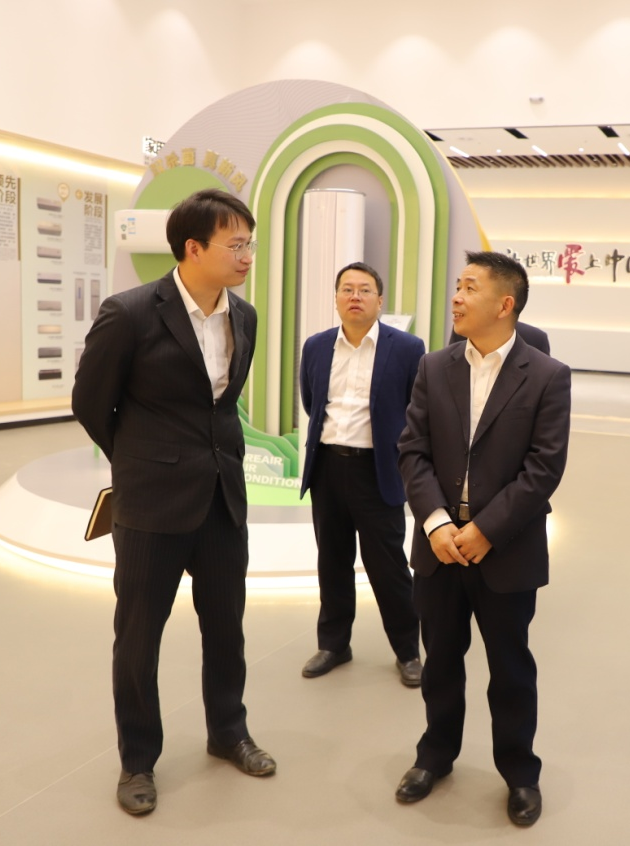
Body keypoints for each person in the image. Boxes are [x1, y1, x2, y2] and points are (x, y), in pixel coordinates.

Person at [72, 188, 274, 816]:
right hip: (152, 505)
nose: (247, 255)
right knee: (139, 637)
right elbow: (90, 403)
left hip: (222, 498)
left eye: (249, 243)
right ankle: (138, 759)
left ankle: (229, 732)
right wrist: (141, 462)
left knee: (227, 627)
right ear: (193, 248)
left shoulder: (244, 316)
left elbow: (222, 405)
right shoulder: (130, 312)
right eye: (235, 244)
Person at [393, 250, 571, 827]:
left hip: (506, 550)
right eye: (457, 286)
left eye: (470, 287)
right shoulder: (434, 367)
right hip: (440, 549)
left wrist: (486, 530)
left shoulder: (547, 375)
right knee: (441, 661)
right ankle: (435, 755)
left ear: (505, 304)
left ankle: (520, 772)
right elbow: (412, 450)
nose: (457, 297)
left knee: (511, 668)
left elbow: (543, 468)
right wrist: (437, 522)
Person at [298, 262, 426, 687]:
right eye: (347, 289)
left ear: (379, 300)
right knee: (332, 561)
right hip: (327, 468)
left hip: (377, 470)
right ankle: (334, 644)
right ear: (336, 298)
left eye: (365, 290)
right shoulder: (316, 346)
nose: (355, 296)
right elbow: (312, 401)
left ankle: (408, 651)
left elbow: (416, 409)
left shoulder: (407, 348)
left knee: (388, 567)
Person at [450, 320, 550, 354]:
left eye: (470, 289)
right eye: (458, 288)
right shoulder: (462, 333)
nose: (457, 298)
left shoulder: (534, 339)